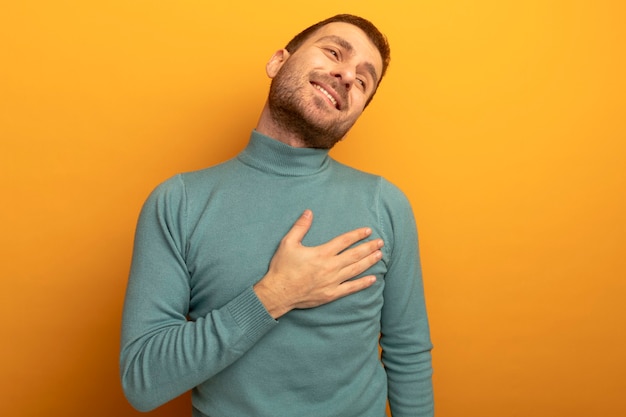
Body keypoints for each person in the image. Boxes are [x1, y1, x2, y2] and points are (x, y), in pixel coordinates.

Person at [120, 14, 433, 417]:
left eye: (362, 81)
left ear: (353, 116)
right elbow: (142, 382)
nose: (345, 76)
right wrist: (274, 296)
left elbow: (408, 354)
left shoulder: (386, 204)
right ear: (277, 62)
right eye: (334, 52)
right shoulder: (178, 203)